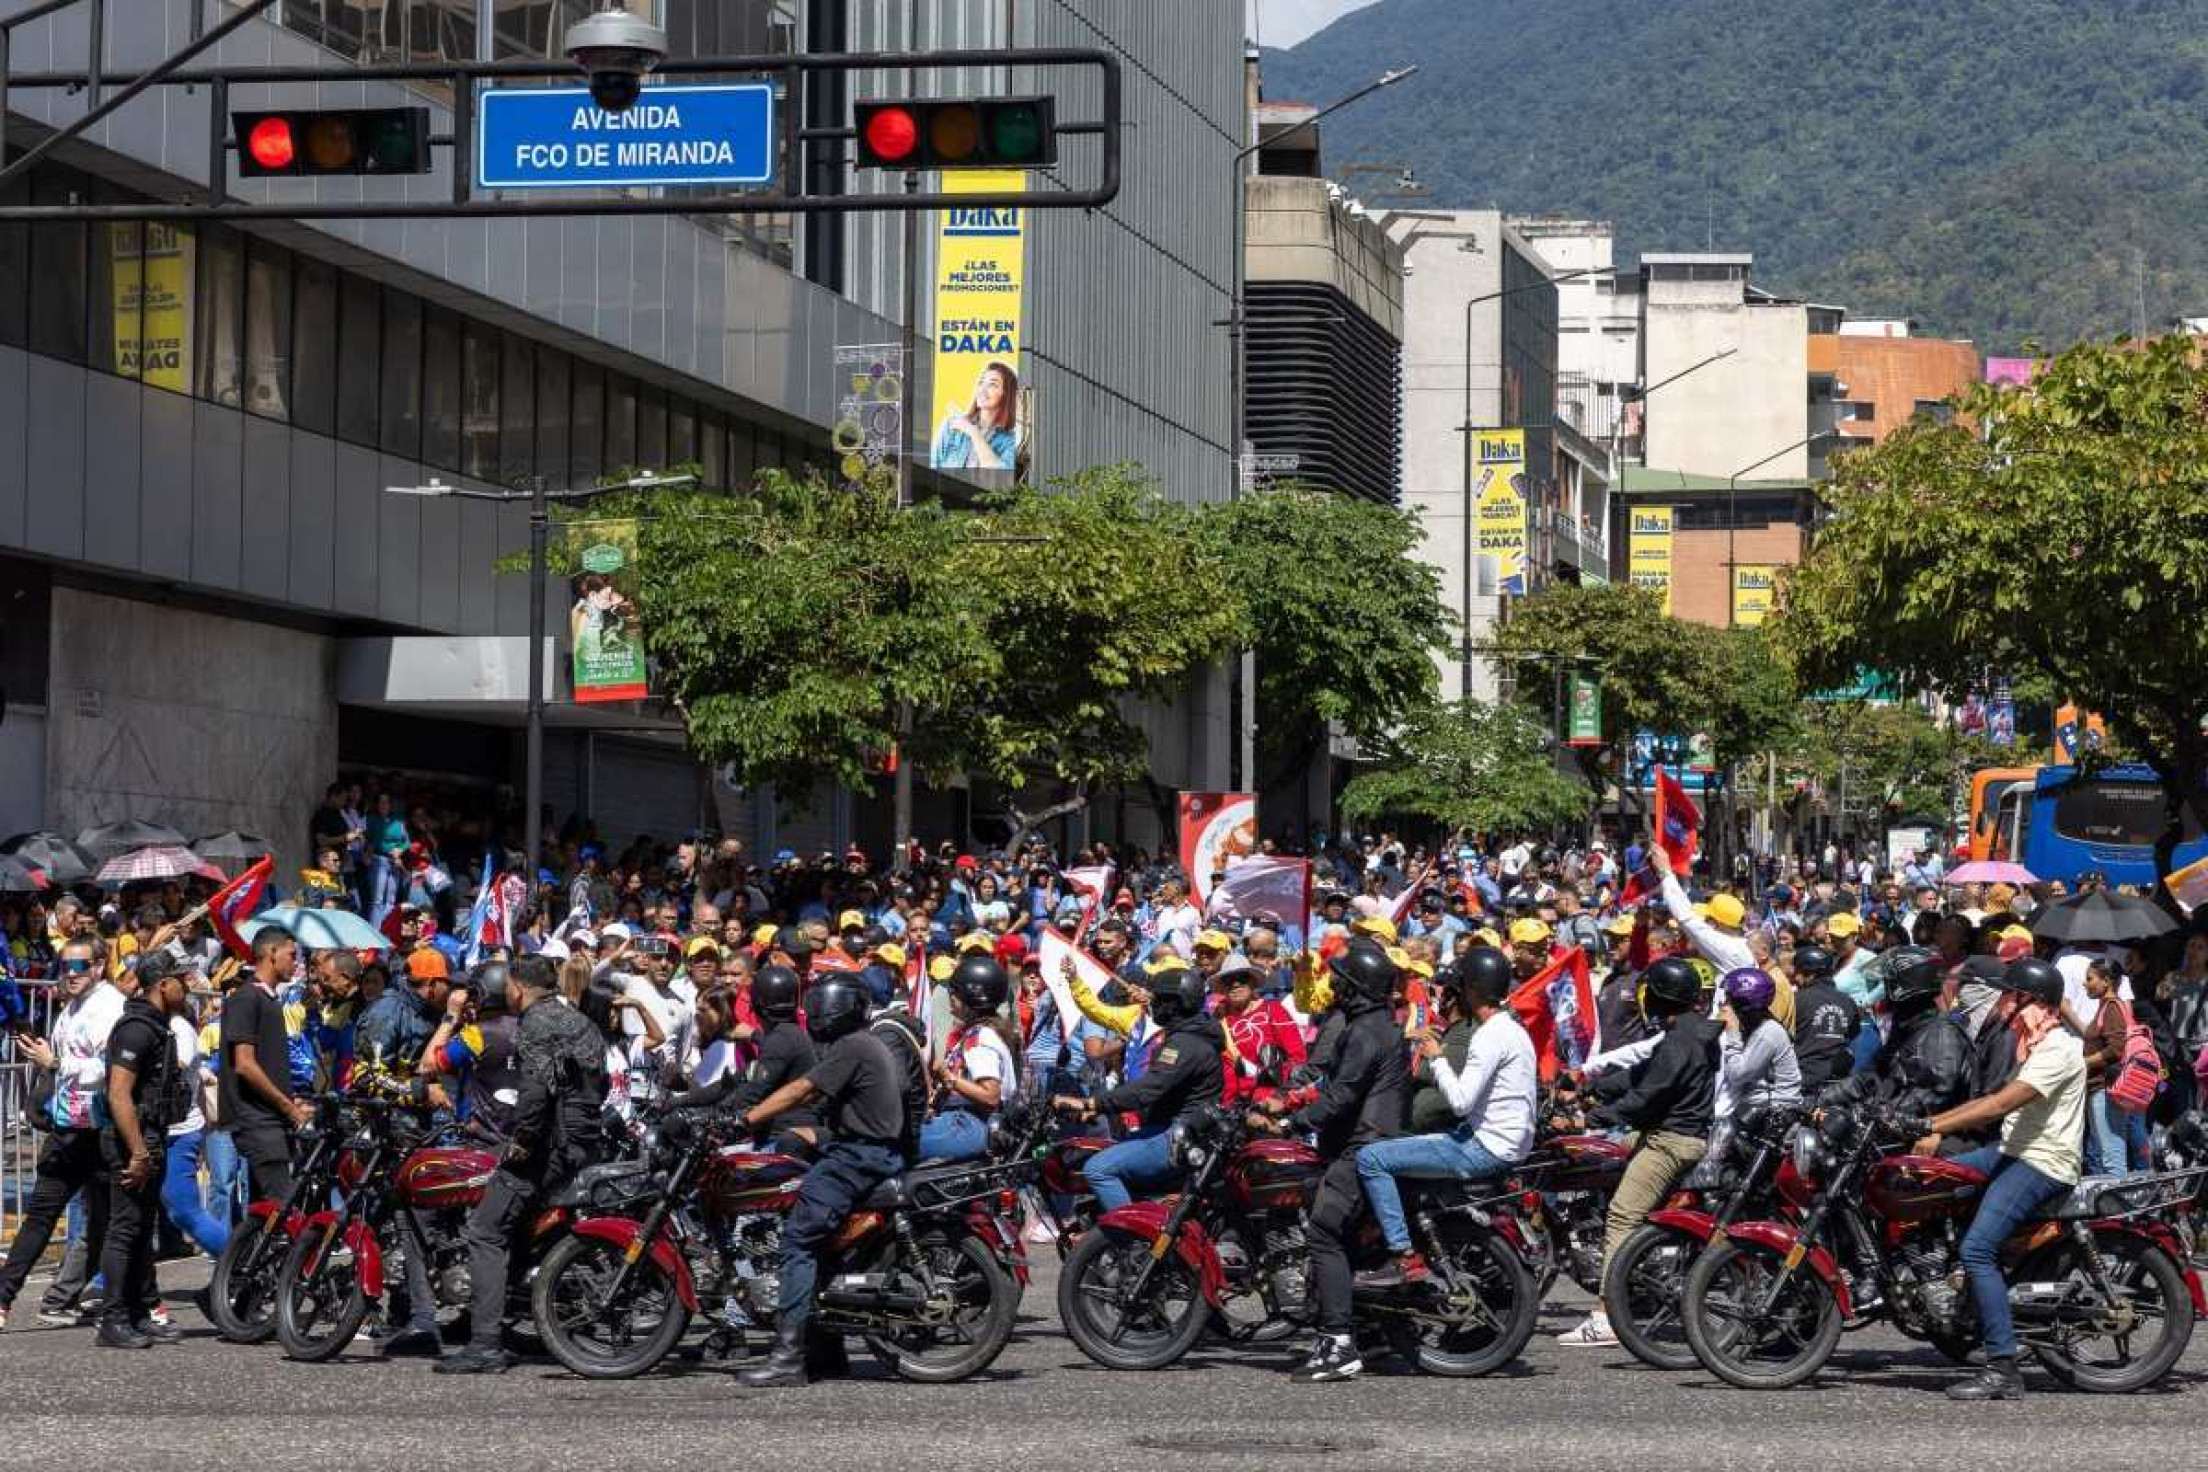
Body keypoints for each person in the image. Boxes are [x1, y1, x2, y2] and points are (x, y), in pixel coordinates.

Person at [1906, 957, 2087, 1402]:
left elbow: (2000, 1104)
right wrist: (1922, 1125)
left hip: (2042, 1162)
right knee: (1934, 1181)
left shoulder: (2059, 1049)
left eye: (2013, 997)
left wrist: (1933, 1126)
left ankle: (2003, 1368)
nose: (2005, 1004)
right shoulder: (2033, 1043)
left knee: (1978, 1249)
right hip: (2011, 1150)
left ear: (2034, 1002)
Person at [727, 975, 908, 1389]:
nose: (819, 1009)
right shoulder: (859, 1044)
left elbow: (800, 1089)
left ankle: (788, 1358)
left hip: (859, 1156)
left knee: (798, 1239)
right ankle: (827, 1350)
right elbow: (813, 1096)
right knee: (824, 1241)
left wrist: (744, 1119)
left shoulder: (853, 1046)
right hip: (863, 1149)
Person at [438, 955, 608, 1374]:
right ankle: (497, 1314)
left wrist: (523, 1142)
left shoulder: (534, 1023)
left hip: (549, 1145)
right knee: (513, 1224)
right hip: (583, 1143)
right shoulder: (577, 1019)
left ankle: (485, 1344)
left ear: (517, 987)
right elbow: (600, 1082)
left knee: (484, 1230)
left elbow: (535, 1091)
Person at [1261, 938, 1408, 1383]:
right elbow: (1332, 1083)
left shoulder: (1364, 1031)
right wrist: (1290, 1102)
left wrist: (1292, 1122)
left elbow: (1344, 1096)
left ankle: (1339, 1343)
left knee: (1324, 1231)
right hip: (1367, 1139)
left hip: (1364, 1144)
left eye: (1342, 982)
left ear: (1357, 987)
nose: (1335, 987)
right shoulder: (1375, 1024)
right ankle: (1373, 1329)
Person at [1559, 955, 1719, 1349]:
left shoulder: (1681, 1039)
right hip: (1666, 1133)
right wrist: (1590, 1089)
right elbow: (1641, 1074)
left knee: (1622, 1215)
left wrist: (1590, 1117)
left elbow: (1648, 1096)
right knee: (1597, 1156)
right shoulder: (1687, 1032)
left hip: (1670, 1141)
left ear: (1658, 996)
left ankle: (1608, 1315)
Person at [1353, 947, 1535, 1289]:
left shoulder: (1488, 1036)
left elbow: (1461, 1101)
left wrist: (1436, 1058)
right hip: (1505, 1143)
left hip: (1483, 1147)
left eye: (1460, 986)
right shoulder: (1515, 1029)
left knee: (1371, 1158)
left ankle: (1404, 1257)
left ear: (1472, 989)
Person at [0, 936, 125, 1331]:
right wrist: (44, 1057)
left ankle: (128, 1304)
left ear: (99, 966)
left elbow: (110, 1069)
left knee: (108, 1224)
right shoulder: (70, 1010)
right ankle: (3, 1299)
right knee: (40, 1215)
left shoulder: (111, 1007)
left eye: (79, 966)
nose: (70, 975)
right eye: (65, 966)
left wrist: (55, 1061)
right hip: (67, 1129)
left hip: (102, 1131)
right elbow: (62, 1064)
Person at [1056, 965, 1222, 1210]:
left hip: (1178, 1135)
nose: (1152, 1004)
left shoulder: (1184, 1043)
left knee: (1098, 1169)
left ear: (1173, 1004)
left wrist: (1093, 1103)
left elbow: (1147, 1089)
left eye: (1157, 1000)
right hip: (1171, 1128)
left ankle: (1133, 1241)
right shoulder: (1188, 1035)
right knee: (1098, 1150)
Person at [93, 950, 192, 1348]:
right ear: (162, 985)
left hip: (151, 1137)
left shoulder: (158, 1025)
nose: (185, 987)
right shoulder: (136, 1029)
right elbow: (118, 1094)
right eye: (179, 980)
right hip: (131, 1142)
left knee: (140, 1229)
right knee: (124, 1229)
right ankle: (112, 1319)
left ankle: (136, 1312)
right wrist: (136, 1152)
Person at [667, 964, 819, 1156]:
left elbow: (751, 1092)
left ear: (754, 1004)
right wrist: (679, 1102)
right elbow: (734, 1082)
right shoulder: (786, 1035)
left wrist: (710, 1115)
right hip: (775, 1135)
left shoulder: (781, 1039)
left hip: (782, 1138)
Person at [917, 955, 1018, 1163]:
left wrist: (947, 1075)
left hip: (970, 1124)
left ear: (970, 999)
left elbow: (990, 1096)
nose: (950, 998)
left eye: (953, 993)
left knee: (895, 1143)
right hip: (966, 1121)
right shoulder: (982, 1032)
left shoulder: (980, 1038)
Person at [1718, 967, 1801, 1117]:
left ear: (1741, 1004)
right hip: (1756, 1107)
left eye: (1729, 1000)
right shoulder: (1755, 1027)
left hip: (1774, 1111)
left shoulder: (1768, 1032)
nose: (1724, 1004)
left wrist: (1732, 1033)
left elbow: (1737, 1075)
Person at [1787, 943, 1861, 1093]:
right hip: (1837, 1085)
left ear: (1811, 974)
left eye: (1798, 973)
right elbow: (1854, 1034)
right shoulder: (1848, 1001)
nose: (1795, 978)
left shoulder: (1796, 1000)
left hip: (1802, 1081)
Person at [931, 361, 1020, 471]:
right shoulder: (952, 426)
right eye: (981, 382)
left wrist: (973, 432)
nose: (982, 390)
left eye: (992, 384)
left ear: (1006, 393)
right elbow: (934, 467)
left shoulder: (1009, 441)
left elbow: (1000, 475)